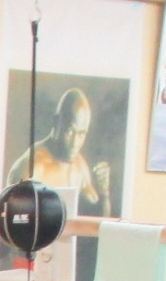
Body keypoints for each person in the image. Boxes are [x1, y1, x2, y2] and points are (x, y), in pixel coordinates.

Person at [7, 87, 112, 216]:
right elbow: (12, 222)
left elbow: (99, 220)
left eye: (81, 134)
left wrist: (104, 193)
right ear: (57, 122)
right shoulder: (32, 167)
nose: (74, 143)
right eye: (70, 131)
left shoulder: (79, 167)